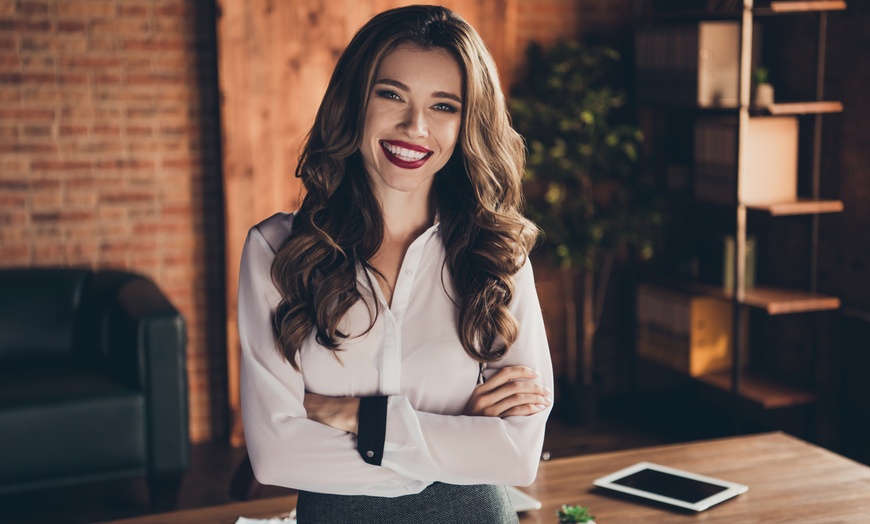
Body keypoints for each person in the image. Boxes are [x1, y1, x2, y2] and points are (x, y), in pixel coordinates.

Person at [237, 5, 554, 523]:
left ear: (466, 122)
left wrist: (349, 416)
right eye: (391, 95)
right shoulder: (276, 252)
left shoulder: (499, 253)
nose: (415, 126)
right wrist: (458, 436)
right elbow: (276, 456)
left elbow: (516, 456)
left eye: (444, 106)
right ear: (354, 101)